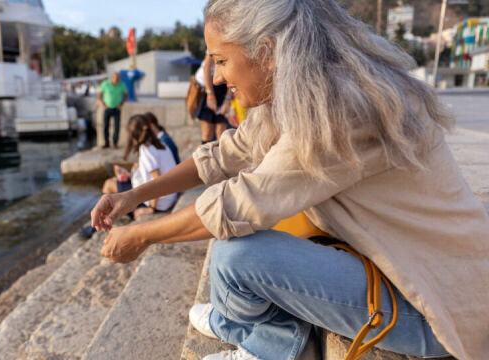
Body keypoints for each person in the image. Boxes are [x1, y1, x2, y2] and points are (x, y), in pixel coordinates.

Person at [89, 1, 489, 360]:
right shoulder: (309, 90)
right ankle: (236, 322)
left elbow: (235, 204)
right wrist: (134, 195)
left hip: (435, 310)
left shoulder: (338, 113)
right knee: (276, 224)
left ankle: (271, 344)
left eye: (220, 59)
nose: (215, 76)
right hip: (416, 269)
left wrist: (141, 236)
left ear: (268, 51)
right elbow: (224, 154)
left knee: (235, 256)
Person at [102, 114, 178, 219]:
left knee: (109, 184)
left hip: (159, 203)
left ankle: (99, 223)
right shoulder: (160, 143)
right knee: (116, 181)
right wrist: (130, 174)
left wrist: (151, 208)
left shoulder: (147, 149)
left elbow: (157, 180)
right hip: (169, 198)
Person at [194, 53, 232, 143]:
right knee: (207, 133)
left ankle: (219, 156)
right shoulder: (215, 41)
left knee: (221, 133)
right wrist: (210, 95)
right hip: (209, 86)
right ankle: (206, 156)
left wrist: (227, 99)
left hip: (224, 87)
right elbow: (206, 68)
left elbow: (234, 72)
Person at [98, 72, 128, 149]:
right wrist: (103, 104)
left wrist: (121, 104)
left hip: (116, 108)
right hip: (107, 108)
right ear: (112, 77)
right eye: (115, 78)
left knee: (117, 126)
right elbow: (99, 94)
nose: (117, 80)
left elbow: (125, 95)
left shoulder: (121, 85)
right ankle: (106, 142)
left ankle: (115, 143)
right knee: (105, 126)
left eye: (118, 78)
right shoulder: (105, 84)